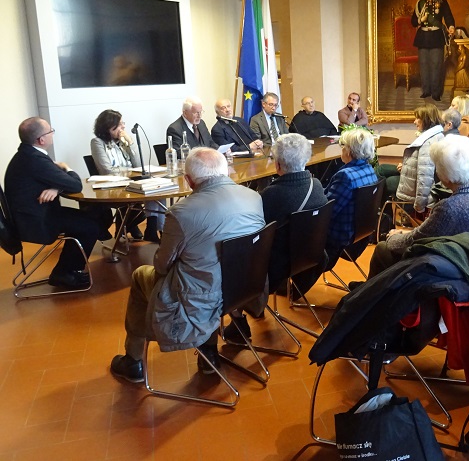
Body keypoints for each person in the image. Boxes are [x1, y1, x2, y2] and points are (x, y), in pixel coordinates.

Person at [109, 148, 265, 382]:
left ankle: (133, 360)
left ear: (189, 181)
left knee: (142, 274)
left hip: (202, 299)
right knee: (210, 269)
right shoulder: (254, 197)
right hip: (245, 288)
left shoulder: (181, 212)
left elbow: (162, 266)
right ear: (225, 171)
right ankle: (211, 350)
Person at [369, 135, 469, 277]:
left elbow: (414, 241)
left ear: (446, 175)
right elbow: (426, 233)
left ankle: (367, 296)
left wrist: (392, 237)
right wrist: (404, 234)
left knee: (382, 249)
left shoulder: (449, 208)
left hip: (448, 266)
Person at [4, 118, 100, 289]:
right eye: (51, 131)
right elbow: (75, 184)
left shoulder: (26, 155)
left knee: (94, 217)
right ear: (41, 139)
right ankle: (64, 273)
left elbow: (59, 181)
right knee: (89, 226)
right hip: (36, 221)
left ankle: (67, 270)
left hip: (33, 214)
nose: (52, 134)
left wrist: (56, 188)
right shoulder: (35, 160)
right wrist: (67, 167)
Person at [259, 133, 328, 297]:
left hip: (279, 264)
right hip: (313, 255)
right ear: (306, 159)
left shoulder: (271, 195)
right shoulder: (316, 185)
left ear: (277, 165)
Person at [90, 109, 163, 242]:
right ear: (109, 127)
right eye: (120, 124)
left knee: (158, 188)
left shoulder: (122, 141)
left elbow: (138, 164)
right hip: (114, 187)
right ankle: (131, 224)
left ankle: (153, 229)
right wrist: (129, 172)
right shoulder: (97, 142)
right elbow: (107, 170)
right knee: (150, 193)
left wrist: (130, 143)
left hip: (131, 182)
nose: (123, 127)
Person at [325, 128, 378, 267]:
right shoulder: (369, 170)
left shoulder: (345, 176)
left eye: (343, 146)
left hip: (339, 235)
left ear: (349, 150)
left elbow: (328, 211)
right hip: (359, 232)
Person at [388, 104, 445, 213]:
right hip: (413, 192)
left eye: (417, 118)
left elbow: (425, 178)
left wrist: (419, 207)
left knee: (386, 183)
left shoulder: (427, 143)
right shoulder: (436, 136)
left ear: (427, 120)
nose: (414, 122)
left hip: (413, 199)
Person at [411, 0, 455, 100]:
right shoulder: (420, 3)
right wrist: (421, 20)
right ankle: (426, 91)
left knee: (436, 65)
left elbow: (448, 16)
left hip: (436, 36)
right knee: (424, 65)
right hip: (423, 37)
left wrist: (451, 26)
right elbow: (413, 22)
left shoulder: (442, 1)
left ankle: (436, 93)